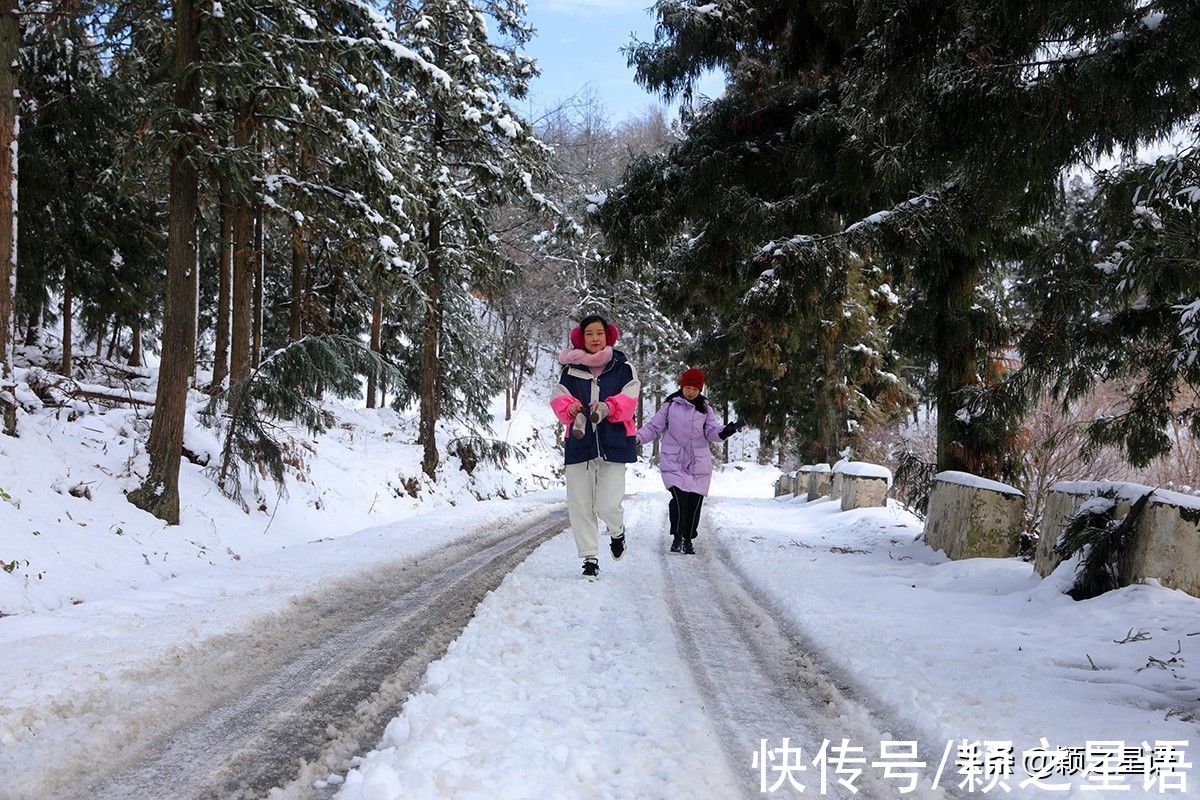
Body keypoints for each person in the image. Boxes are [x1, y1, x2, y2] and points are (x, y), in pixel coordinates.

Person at [550, 314, 640, 580]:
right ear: (581, 338)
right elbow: (558, 399)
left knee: (608, 504)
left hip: (614, 442)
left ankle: (617, 531)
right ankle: (590, 558)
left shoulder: (623, 367)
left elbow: (630, 398)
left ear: (608, 335)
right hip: (580, 442)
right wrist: (571, 408)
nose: (594, 338)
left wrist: (609, 407)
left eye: (599, 333)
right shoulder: (570, 370)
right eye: (589, 333)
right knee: (580, 504)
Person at [635, 368, 746, 554]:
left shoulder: (705, 408)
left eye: (695, 389)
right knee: (680, 499)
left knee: (694, 504)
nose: (691, 392)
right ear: (681, 386)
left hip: (698, 463)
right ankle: (678, 537)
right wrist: (637, 438)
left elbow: (712, 432)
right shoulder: (670, 406)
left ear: (700, 389)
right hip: (674, 460)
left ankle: (688, 538)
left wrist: (729, 429)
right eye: (687, 387)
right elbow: (654, 427)